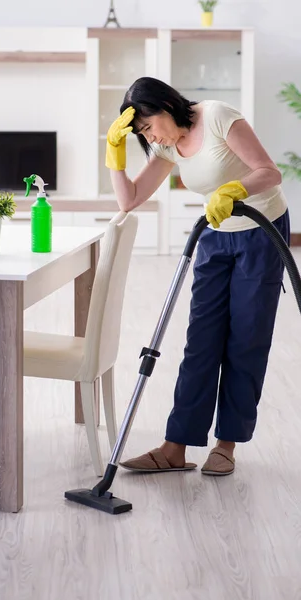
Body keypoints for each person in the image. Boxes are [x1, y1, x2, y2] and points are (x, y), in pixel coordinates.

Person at [106, 76, 289, 476]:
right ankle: (175, 447)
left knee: (246, 338)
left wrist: (234, 189)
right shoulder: (166, 146)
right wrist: (115, 155)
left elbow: (269, 173)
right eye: (141, 133)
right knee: (200, 340)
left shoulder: (219, 117)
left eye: (149, 126)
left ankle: (226, 444)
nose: (151, 137)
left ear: (166, 106)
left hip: (261, 232)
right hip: (214, 234)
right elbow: (130, 200)